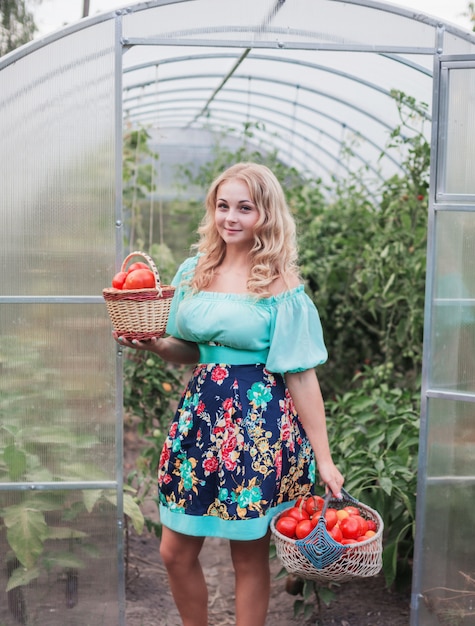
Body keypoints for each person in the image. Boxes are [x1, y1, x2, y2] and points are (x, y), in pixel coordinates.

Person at [114, 162, 344, 626]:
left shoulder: (281, 285)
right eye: (223, 206)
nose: (231, 217)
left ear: (266, 214)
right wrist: (156, 343)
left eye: (245, 207)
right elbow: (190, 350)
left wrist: (325, 457)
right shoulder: (194, 270)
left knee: (247, 556)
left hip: (259, 428)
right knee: (174, 550)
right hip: (200, 419)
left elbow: (301, 376)